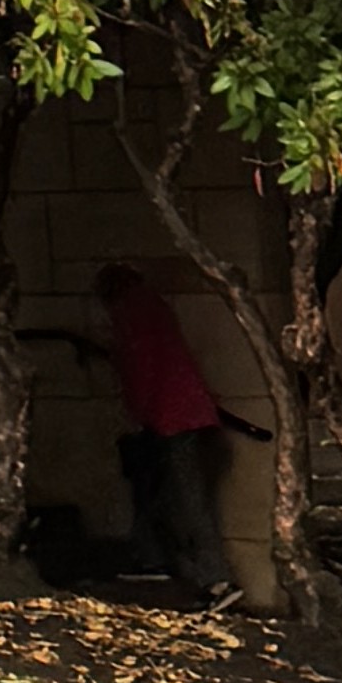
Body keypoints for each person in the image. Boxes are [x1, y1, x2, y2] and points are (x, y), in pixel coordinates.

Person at [89, 257, 242, 601]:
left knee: (186, 499)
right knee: (172, 496)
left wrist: (137, 415)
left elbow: (141, 368)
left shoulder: (130, 313)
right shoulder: (151, 304)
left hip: (170, 419)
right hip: (188, 414)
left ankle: (214, 579)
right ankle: (157, 561)